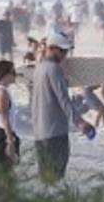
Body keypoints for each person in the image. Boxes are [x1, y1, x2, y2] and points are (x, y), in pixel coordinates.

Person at [31, 29, 92, 184]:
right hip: (55, 134)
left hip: (40, 133)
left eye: (66, 51)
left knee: (45, 180)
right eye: (62, 51)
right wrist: (80, 123)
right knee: (55, 179)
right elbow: (64, 100)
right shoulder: (53, 69)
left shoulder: (39, 68)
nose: (65, 55)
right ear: (51, 48)